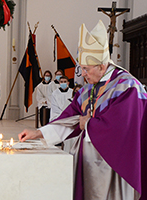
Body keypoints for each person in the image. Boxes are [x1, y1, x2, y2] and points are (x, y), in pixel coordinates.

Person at [18, 20, 147, 200]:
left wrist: (89, 123)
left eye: (85, 69)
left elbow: (123, 129)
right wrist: (38, 133)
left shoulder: (127, 87)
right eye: (81, 69)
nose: (83, 74)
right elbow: (69, 119)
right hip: (87, 163)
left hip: (115, 167)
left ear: (102, 66)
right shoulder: (88, 90)